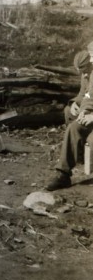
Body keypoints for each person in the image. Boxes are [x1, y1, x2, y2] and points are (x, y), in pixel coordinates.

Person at [45, 41, 93, 191]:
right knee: (74, 127)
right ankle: (63, 174)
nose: (91, 59)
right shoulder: (90, 74)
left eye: (92, 56)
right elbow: (87, 96)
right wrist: (79, 107)